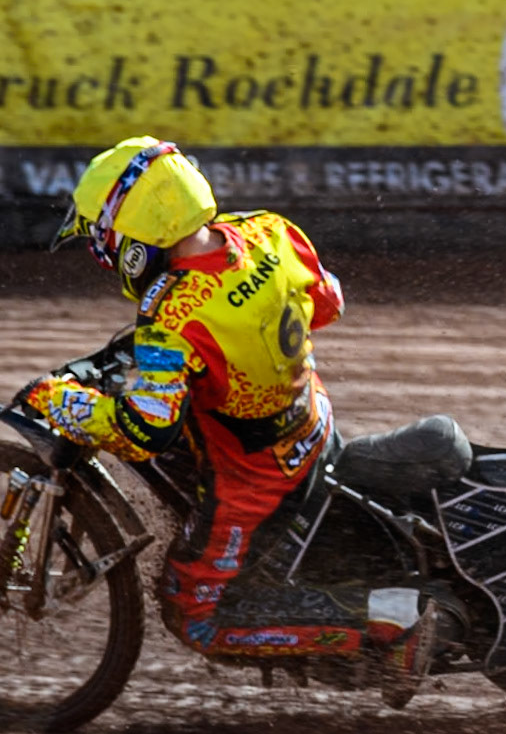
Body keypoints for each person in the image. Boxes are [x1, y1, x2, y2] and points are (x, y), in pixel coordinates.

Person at [25, 136, 431, 698]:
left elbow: (145, 430)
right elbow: (327, 303)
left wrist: (59, 401)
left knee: (194, 616)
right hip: (309, 418)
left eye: (102, 237)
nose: (102, 253)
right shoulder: (269, 230)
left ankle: (388, 621)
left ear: (133, 232)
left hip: (254, 475)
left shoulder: (172, 313)